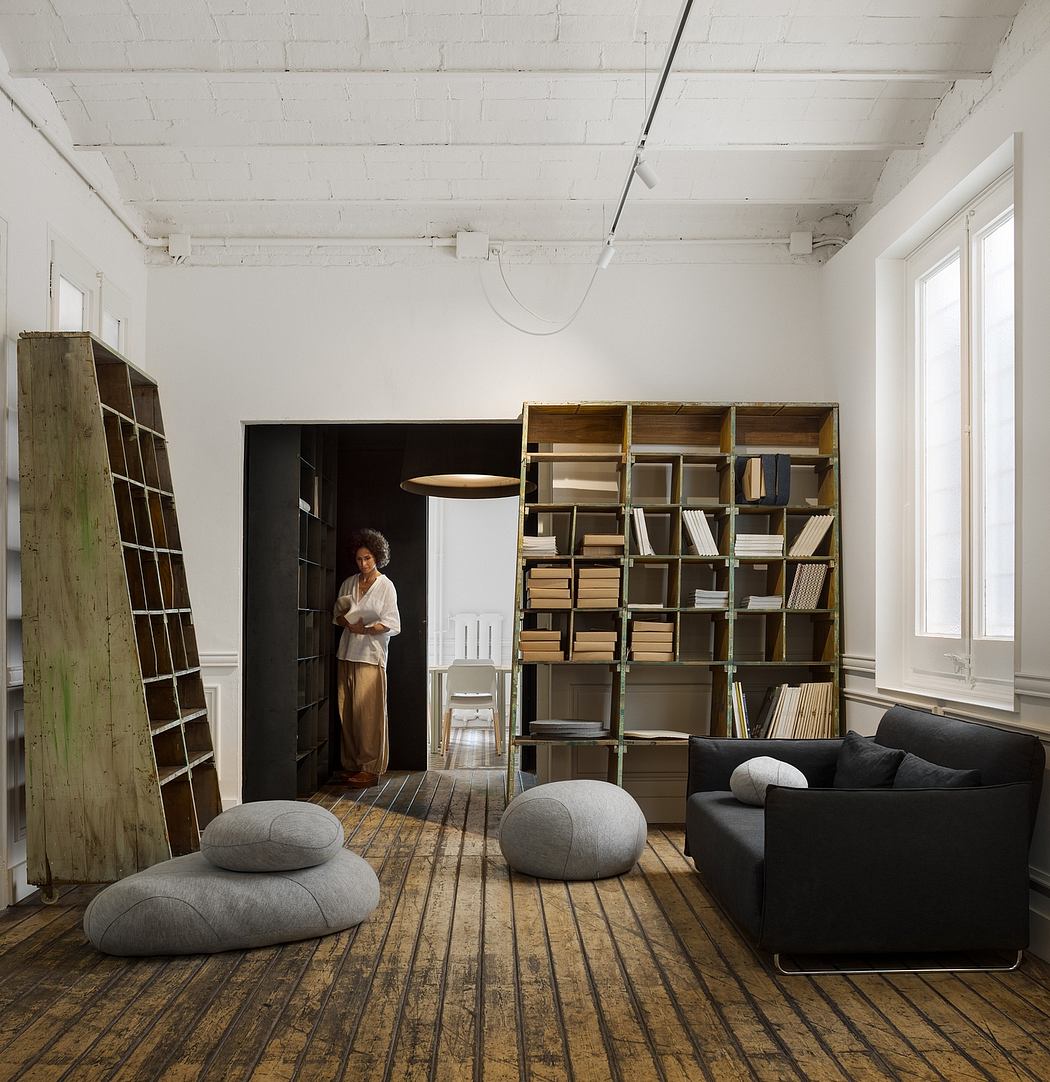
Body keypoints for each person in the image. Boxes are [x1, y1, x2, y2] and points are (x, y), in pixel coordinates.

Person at [332, 528, 401, 789]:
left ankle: (370, 768)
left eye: (368, 559)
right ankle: (351, 765)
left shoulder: (386, 586)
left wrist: (369, 629)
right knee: (346, 710)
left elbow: (392, 623)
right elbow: (337, 614)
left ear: (377, 557)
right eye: (360, 559)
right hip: (347, 652)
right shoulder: (349, 583)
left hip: (371, 656)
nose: (363, 564)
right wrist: (347, 621)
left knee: (368, 715)